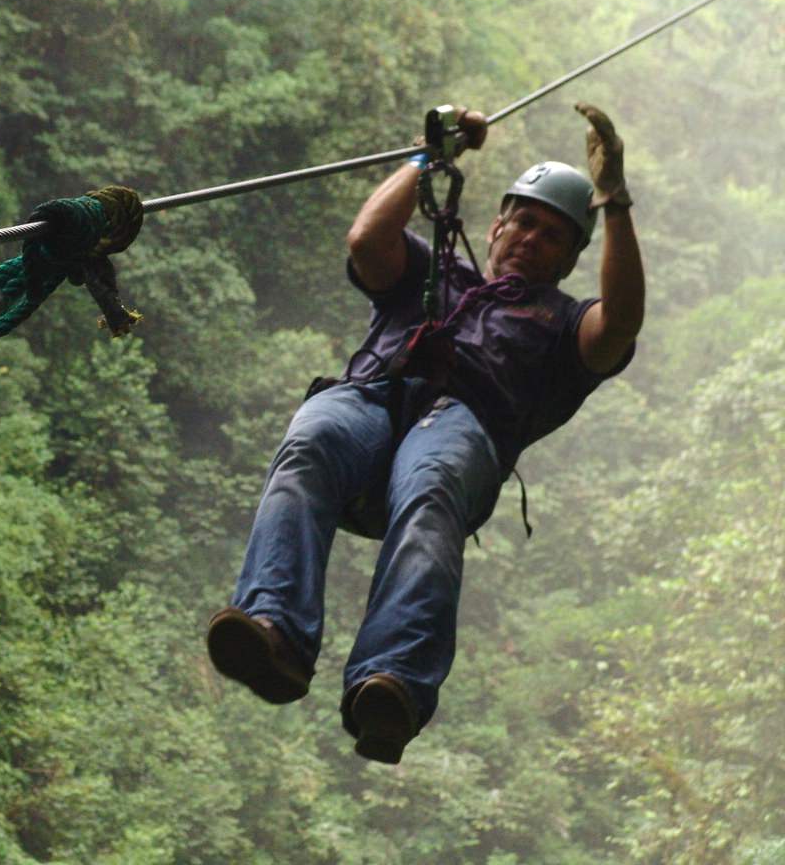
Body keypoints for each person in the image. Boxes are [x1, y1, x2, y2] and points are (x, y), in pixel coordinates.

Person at [206, 103, 644, 764]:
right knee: (314, 435)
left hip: (463, 425)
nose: (531, 237)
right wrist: (427, 158)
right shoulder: (435, 273)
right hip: (372, 402)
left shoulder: (563, 323)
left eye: (552, 235)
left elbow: (620, 325)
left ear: (571, 258)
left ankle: (394, 685)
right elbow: (366, 239)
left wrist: (613, 201)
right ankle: (275, 634)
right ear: (496, 224)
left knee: (433, 479)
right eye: (523, 221)